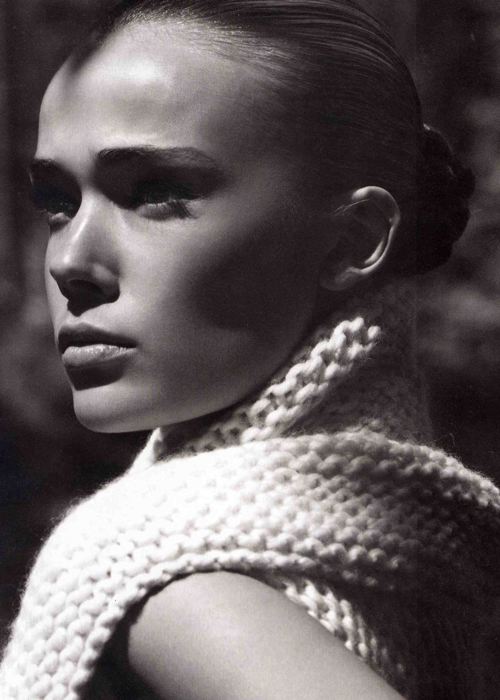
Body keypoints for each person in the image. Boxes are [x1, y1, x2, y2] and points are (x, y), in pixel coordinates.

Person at [1, 1, 498, 698]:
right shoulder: (450, 562)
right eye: (59, 203)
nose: (69, 262)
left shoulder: (152, 577)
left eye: (158, 194)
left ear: (353, 239)